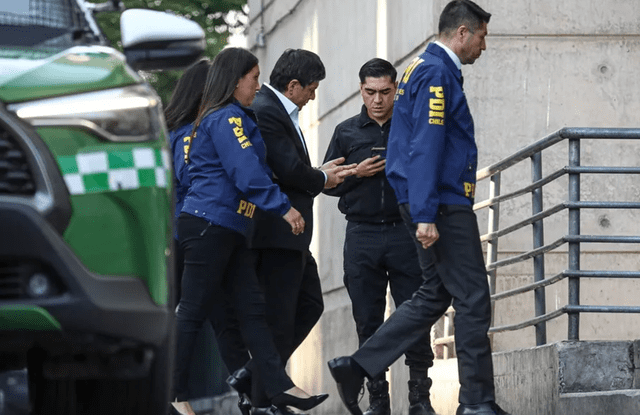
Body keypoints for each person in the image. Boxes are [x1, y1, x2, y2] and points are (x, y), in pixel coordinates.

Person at [327, 2, 513, 415]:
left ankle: (357, 367)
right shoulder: (434, 71)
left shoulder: (417, 68)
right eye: (482, 37)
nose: (484, 46)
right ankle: (477, 402)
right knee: (472, 297)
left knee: (434, 294)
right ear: (462, 32)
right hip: (442, 202)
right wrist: (426, 212)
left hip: (429, 200)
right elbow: (425, 145)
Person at [173, 47, 328, 415]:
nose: (258, 86)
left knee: (253, 311)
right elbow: (247, 172)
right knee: (193, 311)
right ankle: (173, 392)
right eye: (254, 78)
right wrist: (284, 208)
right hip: (212, 225)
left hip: (230, 227)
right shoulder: (226, 119)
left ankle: (278, 387)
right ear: (235, 79)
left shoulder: (228, 118)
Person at [244, 48, 357, 415]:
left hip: (289, 235)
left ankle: (254, 375)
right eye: (311, 88)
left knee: (310, 303)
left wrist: (318, 173)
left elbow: (290, 169)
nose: (313, 96)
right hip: (275, 232)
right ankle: (266, 401)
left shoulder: (277, 110)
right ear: (293, 86)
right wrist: (323, 177)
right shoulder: (266, 111)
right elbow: (289, 170)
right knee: (278, 319)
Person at [322, 58, 436, 415]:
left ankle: (420, 397)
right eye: (370, 92)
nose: (377, 100)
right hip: (362, 234)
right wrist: (357, 172)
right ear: (361, 90)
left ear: (395, 91)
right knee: (367, 318)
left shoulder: (412, 125)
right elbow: (326, 184)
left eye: (385, 92)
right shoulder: (346, 131)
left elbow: (429, 170)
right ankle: (377, 400)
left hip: (406, 232)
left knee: (414, 314)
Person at [165, 58, 252, 409]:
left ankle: (251, 395)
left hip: (181, 234)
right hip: (194, 232)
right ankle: (175, 394)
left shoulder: (173, 132)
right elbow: (192, 182)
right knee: (199, 314)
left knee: (221, 317)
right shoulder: (193, 133)